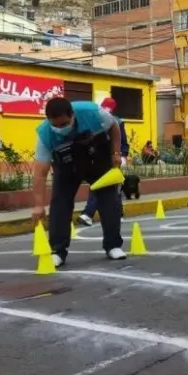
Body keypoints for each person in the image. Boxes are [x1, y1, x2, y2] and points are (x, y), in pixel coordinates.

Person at [32, 97, 125, 267]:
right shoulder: (45, 134)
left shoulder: (93, 114)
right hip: (67, 166)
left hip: (97, 159)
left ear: (73, 115)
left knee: (110, 201)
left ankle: (113, 245)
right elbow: (40, 173)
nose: (60, 129)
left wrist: (115, 153)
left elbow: (114, 127)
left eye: (64, 124)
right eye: (55, 126)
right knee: (60, 203)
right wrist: (38, 205)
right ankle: (58, 251)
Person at [79, 97, 129, 227]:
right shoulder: (95, 119)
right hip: (99, 159)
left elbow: (122, 140)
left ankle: (89, 214)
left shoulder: (117, 121)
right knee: (103, 186)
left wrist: (121, 155)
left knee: (109, 186)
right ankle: (117, 213)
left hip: (113, 158)